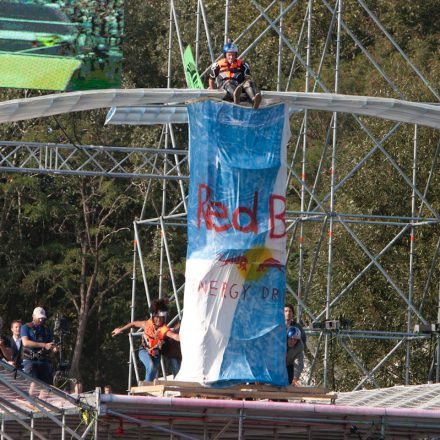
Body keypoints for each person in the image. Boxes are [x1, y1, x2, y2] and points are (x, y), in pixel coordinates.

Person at [111, 299, 180, 382]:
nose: (159, 320)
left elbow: (175, 336)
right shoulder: (147, 324)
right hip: (144, 350)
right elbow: (134, 323)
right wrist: (121, 329)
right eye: (157, 318)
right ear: (153, 317)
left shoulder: (163, 329)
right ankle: (146, 387)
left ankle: (147, 385)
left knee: (154, 369)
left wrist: (186, 338)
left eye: (161, 318)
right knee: (151, 366)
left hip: (155, 354)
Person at [208, 40, 262, 109]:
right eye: (229, 55)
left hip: (238, 87)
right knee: (229, 82)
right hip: (225, 89)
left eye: (233, 55)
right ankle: (235, 98)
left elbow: (247, 78)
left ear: (236, 55)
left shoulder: (243, 65)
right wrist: (213, 93)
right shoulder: (217, 65)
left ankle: (254, 100)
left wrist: (247, 84)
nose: (231, 57)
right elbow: (211, 79)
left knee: (248, 82)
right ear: (225, 55)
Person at [21, 307, 58, 384]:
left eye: (42, 318)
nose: (41, 320)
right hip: (29, 360)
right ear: (33, 316)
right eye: (39, 318)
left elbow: (50, 344)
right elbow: (25, 342)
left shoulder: (47, 330)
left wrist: (54, 348)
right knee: (32, 385)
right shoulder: (26, 327)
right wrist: (44, 345)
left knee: (46, 387)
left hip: (44, 361)